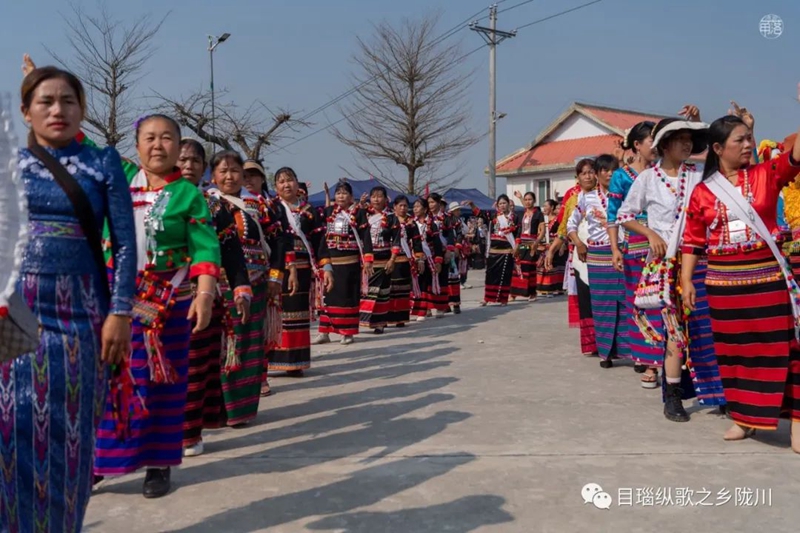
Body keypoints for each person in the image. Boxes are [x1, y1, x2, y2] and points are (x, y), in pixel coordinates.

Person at [1, 64, 137, 532]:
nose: (57, 109)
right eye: (46, 101)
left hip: (82, 317)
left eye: (68, 100)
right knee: (10, 431)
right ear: (26, 112)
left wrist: (120, 312)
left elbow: (125, 245)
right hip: (15, 314)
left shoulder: (103, 162)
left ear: (82, 109)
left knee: (69, 439)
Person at [92, 114, 221, 498]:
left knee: (163, 385)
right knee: (109, 380)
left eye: (166, 138)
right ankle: (99, 463)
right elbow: (79, 144)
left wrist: (204, 295)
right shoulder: (119, 180)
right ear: (137, 146)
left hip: (168, 304)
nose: (158, 144)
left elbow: (204, 247)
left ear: (177, 147)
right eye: (149, 137)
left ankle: (158, 464)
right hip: (115, 301)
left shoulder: (188, 195)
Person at [681, 115, 800, 449]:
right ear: (718, 148)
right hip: (724, 287)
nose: (748, 145)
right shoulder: (703, 192)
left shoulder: (766, 174)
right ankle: (745, 418)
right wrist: (686, 279)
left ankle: (796, 423)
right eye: (740, 140)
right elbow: (692, 240)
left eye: (749, 138)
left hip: (767, 280)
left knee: (785, 349)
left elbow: (795, 156)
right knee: (736, 355)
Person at [619, 116, 727, 421]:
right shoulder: (648, 178)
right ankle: (673, 396)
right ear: (664, 145)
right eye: (680, 139)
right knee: (675, 332)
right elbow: (624, 215)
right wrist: (650, 234)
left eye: (690, 139)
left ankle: (720, 394)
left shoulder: (699, 175)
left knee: (708, 327)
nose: (687, 144)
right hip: (667, 264)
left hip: (700, 260)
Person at [178, 140, 252, 457]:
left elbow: (233, 254)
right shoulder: (151, 201)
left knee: (196, 368)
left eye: (195, 161)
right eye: (182, 159)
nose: (188, 165)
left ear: (203, 170)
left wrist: (241, 289)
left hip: (203, 298)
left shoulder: (216, 207)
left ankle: (189, 433)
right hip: (156, 299)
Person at [206, 150, 291, 409]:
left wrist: (276, 276)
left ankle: (244, 404)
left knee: (251, 340)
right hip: (216, 284)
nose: (229, 176)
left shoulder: (259, 205)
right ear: (213, 176)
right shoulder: (205, 203)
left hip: (256, 282)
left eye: (235, 171)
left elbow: (278, 241)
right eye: (223, 171)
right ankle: (219, 404)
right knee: (220, 341)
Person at [606, 120, 660, 382]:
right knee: (640, 302)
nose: (657, 146)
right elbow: (613, 215)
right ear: (637, 145)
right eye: (652, 140)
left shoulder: (664, 171)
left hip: (665, 243)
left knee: (665, 301)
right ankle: (648, 361)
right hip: (636, 247)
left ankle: (671, 360)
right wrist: (615, 248)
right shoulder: (621, 176)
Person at [565, 154, 630, 367]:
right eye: (605, 170)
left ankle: (630, 351)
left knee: (626, 302)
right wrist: (578, 243)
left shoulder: (627, 195)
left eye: (613, 170)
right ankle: (605, 353)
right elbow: (571, 224)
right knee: (602, 305)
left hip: (623, 253)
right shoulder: (587, 198)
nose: (609, 174)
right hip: (598, 256)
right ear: (597, 174)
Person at [269, 167, 332, 375]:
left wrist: (326, 268)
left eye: (290, 180)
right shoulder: (271, 209)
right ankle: (271, 360)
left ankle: (296, 362)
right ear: (275, 186)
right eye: (281, 181)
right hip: (277, 268)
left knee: (297, 315)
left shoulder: (309, 211)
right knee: (276, 313)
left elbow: (319, 241)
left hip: (303, 269)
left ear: (297, 183)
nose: (286, 185)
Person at [546, 160, 598, 355]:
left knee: (604, 299)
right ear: (578, 177)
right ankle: (591, 343)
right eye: (583, 173)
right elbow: (563, 229)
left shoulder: (606, 195)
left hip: (604, 253)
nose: (588, 176)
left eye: (591, 172)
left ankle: (609, 343)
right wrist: (551, 251)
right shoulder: (572, 198)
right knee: (586, 299)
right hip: (580, 256)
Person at [315, 181, 373, 345]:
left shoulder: (358, 213)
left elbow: (365, 236)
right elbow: (321, 236)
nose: (341, 196)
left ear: (351, 197)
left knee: (347, 297)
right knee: (327, 297)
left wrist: (368, 259)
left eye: (344, 193)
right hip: (331, 263)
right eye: (338, 193)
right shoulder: (328, 212)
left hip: (349, 263)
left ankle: (347, 332)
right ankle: (325, 331)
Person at [359, 186, 400, 333]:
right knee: (366, 291)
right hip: (366, 259)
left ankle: (380, 323)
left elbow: (396, 241)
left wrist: (392, 260)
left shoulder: (391, 217)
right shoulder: (364, 215)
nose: (376, 199)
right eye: (373, 196)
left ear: (385, 199)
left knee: (382, 292)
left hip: (383, 259)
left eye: (379, 196)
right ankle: (363, 320)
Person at [467, 195, 518, 306]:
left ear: (508, 204)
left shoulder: (514, 217)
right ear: (497, 205)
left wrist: (516, 247)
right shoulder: (494, 216)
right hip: (493, 250)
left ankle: (503, 299)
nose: (502, 205)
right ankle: (487, 298)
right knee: (490, 274)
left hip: (507, 250)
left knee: (504, 275)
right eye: (500, 203)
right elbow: (481, 214)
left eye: (504, 203)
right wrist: (472, 205)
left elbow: (518, 233)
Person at [387, 195, 423, 327]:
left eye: (405, 206)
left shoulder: (411, 223)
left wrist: (419, 259)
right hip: (389, 258)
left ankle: (400, 318)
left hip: (404, 259)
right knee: (388, 289)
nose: (403, 208)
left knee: (402, 289)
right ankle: (385, 317)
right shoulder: (388, 219)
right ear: (394, 207)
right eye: (400, 205)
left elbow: (417, 241)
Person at [411, 198, 444, 321]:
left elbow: (437, 242)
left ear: (425, 209)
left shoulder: (431, 224)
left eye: (418, 206)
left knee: (429, 282)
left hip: (429, 256)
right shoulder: (411, 223)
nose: (415, 209)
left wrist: (438, 260)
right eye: (414, 206)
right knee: (418, 283)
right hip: (415, 256)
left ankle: (432, 308)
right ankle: (421, 310)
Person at [511, 191, 545, 301]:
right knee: (518, 266)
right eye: (525, 200)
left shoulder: (538, 214)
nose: (527, 202)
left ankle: (532, 293)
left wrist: (537, 242)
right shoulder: (522, 214)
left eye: (530, 199)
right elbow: (519, 230)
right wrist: (517, 244)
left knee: (529, 268)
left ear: (534, 201)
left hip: (532, 245)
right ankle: (514, 293)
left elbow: (543, 231)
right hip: (523, 245)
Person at [428, 193, 456, 315]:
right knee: (427, 279)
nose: (430, 205)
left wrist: (449, 251)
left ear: (439, 203)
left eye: (433, 202)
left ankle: (441, 306)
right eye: (429, 202)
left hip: (443, 251)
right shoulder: (426, 217)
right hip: (429, 252)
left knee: (442, 278)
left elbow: (450, 235)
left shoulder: (446, 218)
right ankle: (427, 307)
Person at [536, 199, 566, 296]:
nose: (544, 208)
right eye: (543, 206)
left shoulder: (558, 219)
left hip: (555, 245)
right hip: (544, 246)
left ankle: (556, 287)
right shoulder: (542, 220)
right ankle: (545, 288)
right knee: (543, 266)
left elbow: (562, 233)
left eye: (546, 206)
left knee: (554, 266)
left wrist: (562, 245)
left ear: (552, 207)